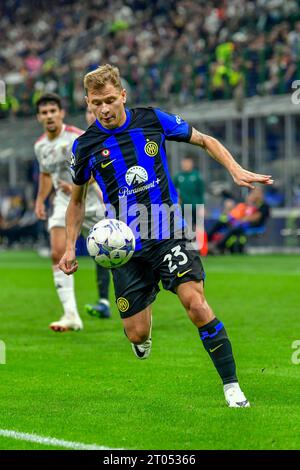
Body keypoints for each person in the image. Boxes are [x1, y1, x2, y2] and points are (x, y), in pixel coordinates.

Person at [59, 64, 273, 407]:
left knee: (196, 304)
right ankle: (144, 327)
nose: (104, 109)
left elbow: (205, 140)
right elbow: (76, 200)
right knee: (137, 333)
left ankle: (232, 388)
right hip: (124, 247)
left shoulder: (152, 119)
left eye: (110, 100)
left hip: (169, 231)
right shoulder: (85, 146)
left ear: (123, 96)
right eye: (96, 102)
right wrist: (70, 247)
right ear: (88, 102)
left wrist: (235, 169)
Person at [34, 92, 108, 332]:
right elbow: (46, 174)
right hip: (63, 204)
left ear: (61, 113)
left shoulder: (77, 137)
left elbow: (97, 168)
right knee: (57, 253)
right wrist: (40, 199)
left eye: (52, 111)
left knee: (115, 254)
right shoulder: (40, 146)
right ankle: (71, 315)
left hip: (91, 203)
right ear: (39, 117)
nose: (49, 116)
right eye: (44, 112)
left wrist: (79, 185)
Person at [83, 107, 111, 319]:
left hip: (111, 206)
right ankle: (103, 301)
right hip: (89, 208)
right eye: (89, 111)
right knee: (101, 254)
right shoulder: (83, 141)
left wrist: (77, 183)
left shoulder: (113, 136)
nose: (92, 115)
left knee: (119, 253)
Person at [208, 187, 270, 253]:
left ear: (262, 194)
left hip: (251, 225)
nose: (255, 195)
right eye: (254, 193)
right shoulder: (249, 205)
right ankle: (207, 240)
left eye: (257, 193)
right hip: (240, 223)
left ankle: (219, 247)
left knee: (233, 230)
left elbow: (256, 218)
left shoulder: (264, 206)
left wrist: (242, 220)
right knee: (221, 223)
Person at [173, 155, 205, 230]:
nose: (186, 165)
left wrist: (202, 207)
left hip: (196, 206)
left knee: (199, 227)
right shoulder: (178, 176)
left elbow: (201, 192)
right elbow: (173, 190)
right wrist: (177, 199)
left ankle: (200, 241)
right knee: (186, 227)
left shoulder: (197, 176)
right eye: (184, 163)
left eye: (188, 163)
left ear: (192, 164)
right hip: (184, 207)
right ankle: (188, 241)